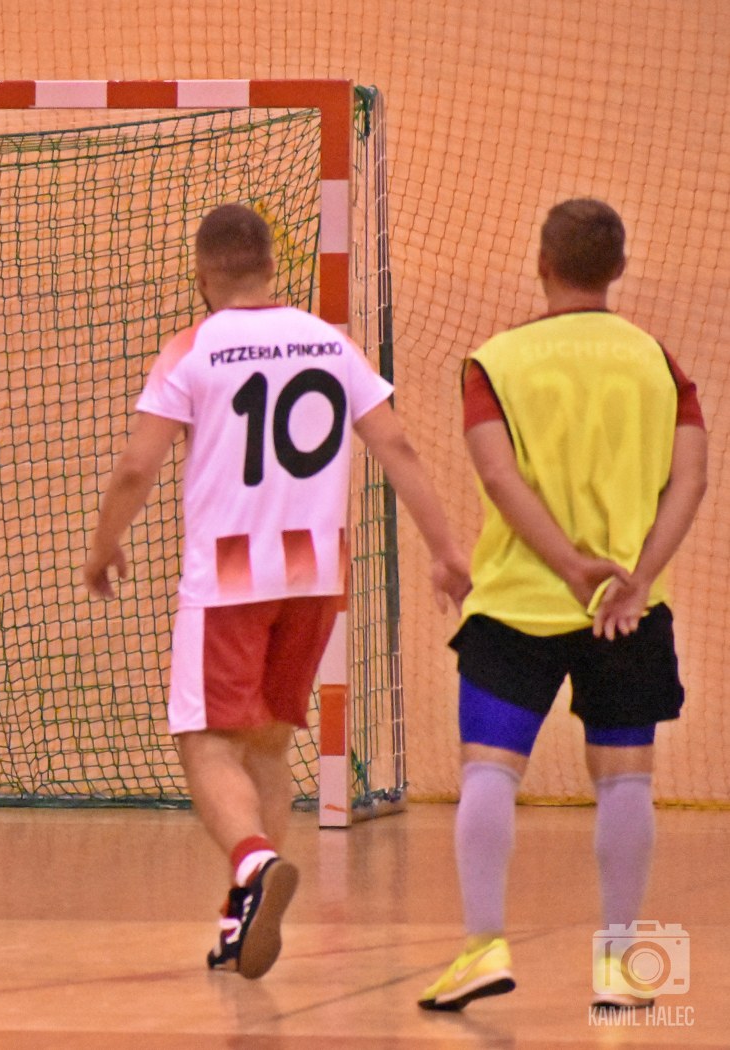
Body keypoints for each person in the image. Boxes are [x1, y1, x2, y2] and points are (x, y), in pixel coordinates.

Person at [83, 204, 470, 980]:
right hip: (316, 573)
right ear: (271, 265)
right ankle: (241, 915)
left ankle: (254, 863)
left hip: (230, 572)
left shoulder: (192, 348)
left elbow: (135, 467)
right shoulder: (330, 342)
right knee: (266, 742)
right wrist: (444, 549)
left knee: (203, 741)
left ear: (201, 273)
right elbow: (395, 443)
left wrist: (103, 544)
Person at [418, 199, 708, 1012]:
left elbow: (496, 476)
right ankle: (619, 964)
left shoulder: (495, 361)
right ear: (618, 269)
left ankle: (481, 948)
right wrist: (635, 577)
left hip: (516, 603)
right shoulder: (657, 362)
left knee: (489, 769)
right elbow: (690, 479)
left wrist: (567, 566)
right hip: (627, 610)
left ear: (541, 263)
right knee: (625, 780)